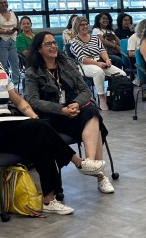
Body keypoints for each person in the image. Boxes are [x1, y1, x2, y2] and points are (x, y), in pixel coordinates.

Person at [0, 40, 108, 215]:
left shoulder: (1, 76)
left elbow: (20, 102)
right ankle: (78, 162)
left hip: (7, 123)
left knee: (42, 142)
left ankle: (49, 200)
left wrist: (34, 117)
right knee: (40, 132)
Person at [24, 33, 114, 194]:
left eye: (54, 43)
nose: (53, 46)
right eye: (48, 44)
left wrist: (76, 103)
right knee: (96, 128)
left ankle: (89, 162)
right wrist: (60, 110)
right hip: (51, 116)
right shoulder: (32, 72)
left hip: (73, 109)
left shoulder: (67, 64)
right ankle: (100, 176)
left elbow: (85, 90)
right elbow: (33, 100)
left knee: (91, 111)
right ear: (38, 49)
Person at [68, 17, 127, 111]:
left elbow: (102, 51)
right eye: (82, 25)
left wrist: (107, 60)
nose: (85, 26)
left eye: (86, 24)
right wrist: (97, 64)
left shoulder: (95, 38)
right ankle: (101, 97)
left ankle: (111, 95)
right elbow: (83, 59)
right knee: (98, 72)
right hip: (85, 65)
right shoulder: (74, 42)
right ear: (76, 27)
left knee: (122, 74)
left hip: (100, 61)